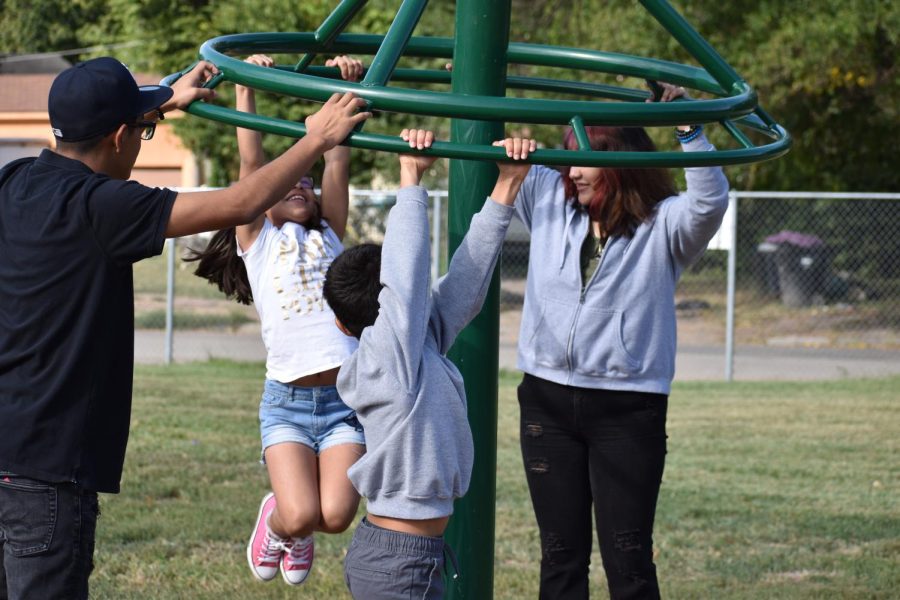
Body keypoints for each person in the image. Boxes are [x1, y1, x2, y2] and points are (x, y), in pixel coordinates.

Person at [0, 56, 369, 600]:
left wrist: (165, 99)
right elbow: (242, 201)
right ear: (120, 136)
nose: (146, 139)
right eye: (144, 130)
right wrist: (315, 139)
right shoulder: (104, 206)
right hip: (47, 472)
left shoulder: (15, 180)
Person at [512, 82, 730, 599]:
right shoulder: (548, 202)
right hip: (546, 400)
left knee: (628, 558)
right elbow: (492, 142)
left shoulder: (664, 225)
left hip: (627, 406)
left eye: (588, 159)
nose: (574, 171)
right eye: (568, 156)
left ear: (623, 162)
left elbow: (710, 200)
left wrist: (688, 127)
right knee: (560, 557)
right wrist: (473, 75)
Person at [323, 129, 536, 599]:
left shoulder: (420, 344)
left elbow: (465, 279)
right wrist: (410, 181)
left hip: (411, 556)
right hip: (399, 563)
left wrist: (507, 186)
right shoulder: (385, 363)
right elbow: (403, 279)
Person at [186, 54, 366, 587]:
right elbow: (253, 167)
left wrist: (346, 88)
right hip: (287, 402)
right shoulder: (259, 242)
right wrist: (246, 86)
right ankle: (282, 522)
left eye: (307, 185)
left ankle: (297, 527)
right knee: (303, 512)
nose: (302, 185)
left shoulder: (330, 233)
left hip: (344, 402)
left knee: (333, 516)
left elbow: (335, 158)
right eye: (291, 182)